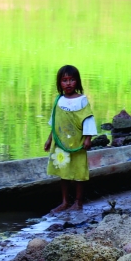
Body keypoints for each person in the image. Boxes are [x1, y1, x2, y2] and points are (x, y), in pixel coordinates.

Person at [45, 65, 97, 213]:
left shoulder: (82, 100)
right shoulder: (59, 100)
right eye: (64, 80)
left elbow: (88, 121)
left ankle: (78, 202)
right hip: (61, 144)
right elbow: (54, 122)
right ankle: (65, 202)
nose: (68, 83)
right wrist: (49, 140)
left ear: (77, 82)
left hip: (77, 144)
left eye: (72, 80)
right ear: (59, 83)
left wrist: (88, 139)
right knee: (64, 173)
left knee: (79, 173)